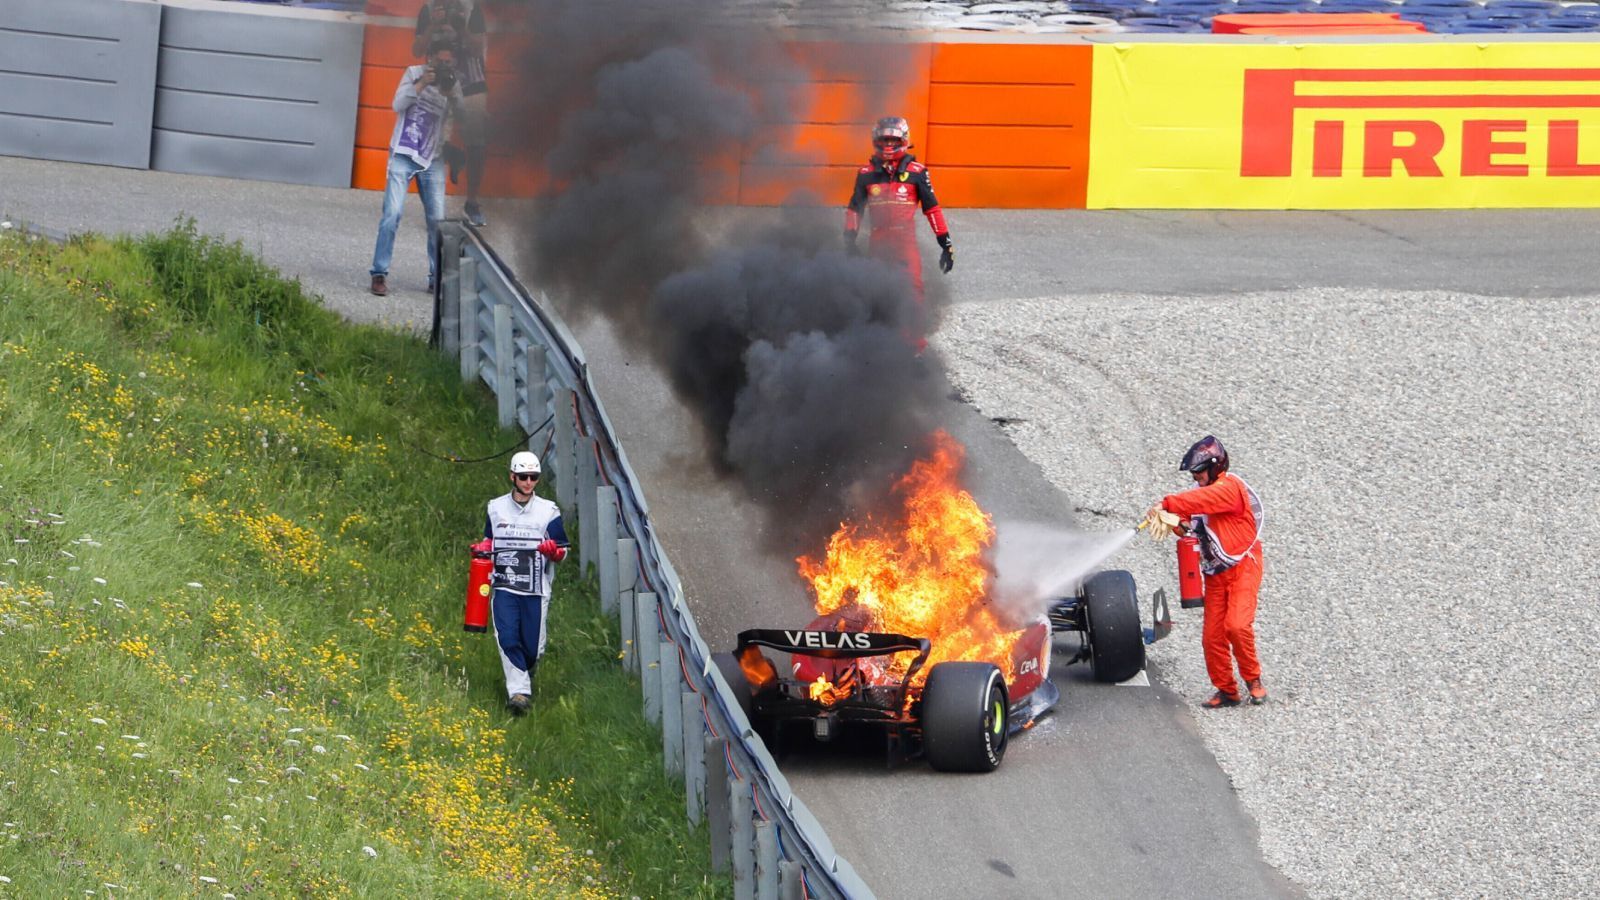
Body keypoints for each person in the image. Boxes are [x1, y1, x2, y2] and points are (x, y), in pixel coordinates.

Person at [1146, 436, 1267, 708]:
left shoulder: (1229, 488)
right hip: (1215, 573)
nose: (1196, 476)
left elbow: (1203, 499)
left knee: (1236, 625)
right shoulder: (1205, 493)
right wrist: (1174, 524)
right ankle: (1227, 691)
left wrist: (1167, 504)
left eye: (1199, 472)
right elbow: (1193, 526)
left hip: (1243, 567)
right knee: (1212, 637)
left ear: (1214, 467)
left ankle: (1253, 679)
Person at [369, 36, 462, 297]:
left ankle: (436, 277)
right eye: (439, 61)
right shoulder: (413, 73)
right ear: (429, 58)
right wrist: (422, 84)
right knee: (392, 213)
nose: (444, 65)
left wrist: (452, 94)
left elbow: (463, 119)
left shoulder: (453, 83)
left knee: (437, 221)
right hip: (403, 152)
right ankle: (379, 272)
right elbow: (397, 105)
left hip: (433, 158)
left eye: (448, 61)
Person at [483, 451, 569, 715]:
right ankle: (519, 695)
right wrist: (482, 550)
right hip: (505, 587)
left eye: (533, 477)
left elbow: (564, 549)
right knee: (507, 637)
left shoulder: (548, 511)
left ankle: (525, 667)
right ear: (512, 477)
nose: (529, 482)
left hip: (536, 588)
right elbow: (488, 540)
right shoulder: (495, 508)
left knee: (533, 648)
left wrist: (553, 551)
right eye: (523, 477)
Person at [843, 116, 955, 308]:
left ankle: (913, 337)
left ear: (903, 140)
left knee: (913, 288)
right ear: (876, 140)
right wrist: (849, 240)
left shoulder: (918, 172)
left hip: (905, 239)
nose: (889, 144)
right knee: (874, 290)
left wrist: (946, 245)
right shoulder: (865, 173)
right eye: (885, 139)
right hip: (878, 239)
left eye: (893, 140)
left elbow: (933, 210)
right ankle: (877, 335)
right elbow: (855, 209)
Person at [414, 0, 490, 227]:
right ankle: (432, 206)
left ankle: (472, 202)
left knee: (477, 144)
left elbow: (477, 49)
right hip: (436, 84)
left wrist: (461, 27)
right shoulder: (428, 9)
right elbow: (417, 50)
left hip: (471, 84)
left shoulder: (472, 9)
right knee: (428, 145)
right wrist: (432, 27)